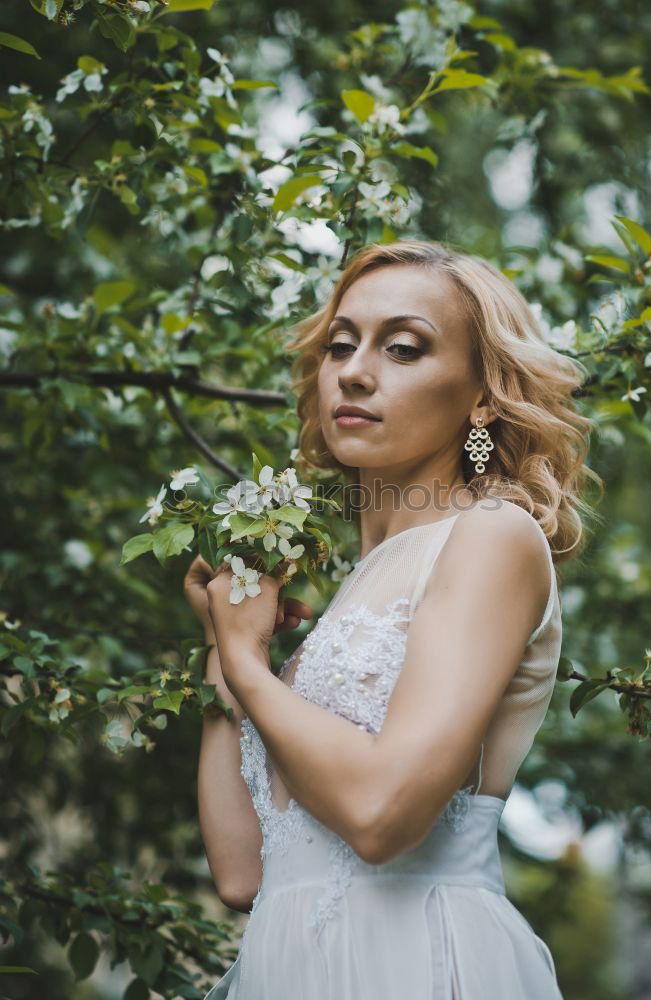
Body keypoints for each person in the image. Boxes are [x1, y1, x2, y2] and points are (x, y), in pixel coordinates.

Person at [185, 240, 600, 999]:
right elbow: (244, 872)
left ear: (481, 395)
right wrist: (223, 644)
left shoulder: (491, 537)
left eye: (403, 347)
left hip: (415, 962)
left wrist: (250, 664)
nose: (354, 369)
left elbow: (381, 817)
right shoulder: (351, 592)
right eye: (340, 345)